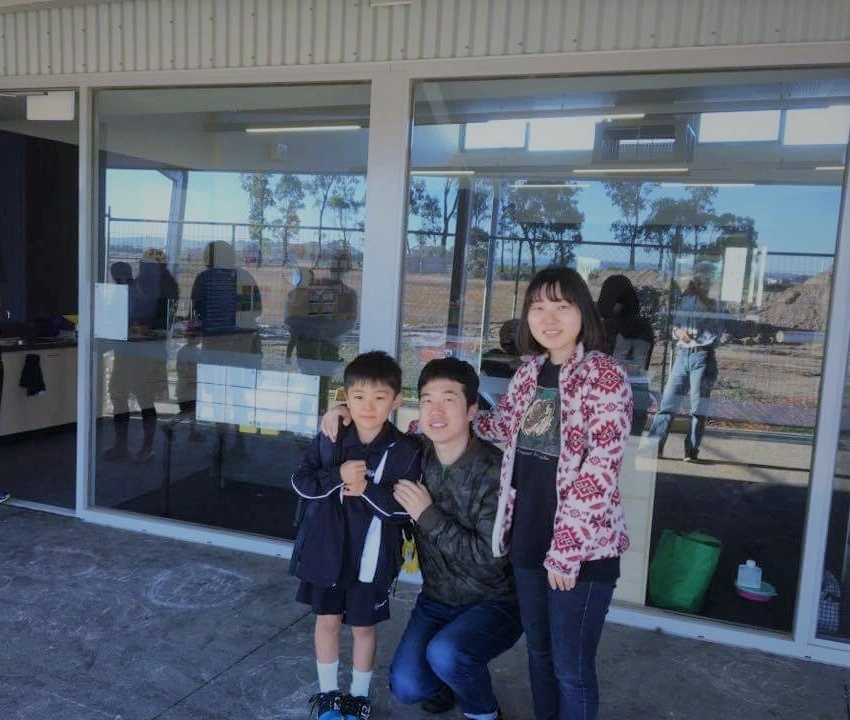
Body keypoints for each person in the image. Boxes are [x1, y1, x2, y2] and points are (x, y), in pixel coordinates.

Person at [320, 358, 522, 720]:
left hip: (494, 602)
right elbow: (373, 427)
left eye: (448, 400)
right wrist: (341, 412)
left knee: (448, 654)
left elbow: (489, 559)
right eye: (427, 400)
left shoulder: (496, 471)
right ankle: (447, 678)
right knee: (406, 686)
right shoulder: (414, 451)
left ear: (472, 410)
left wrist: (427, 516)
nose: (436, 411)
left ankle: (483, 711)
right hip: (437, 599)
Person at [473, 266, 632, 720]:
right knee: (539, 656)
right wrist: (444, 421)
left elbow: (601, 469)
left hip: (583, 552)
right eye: (538, 307)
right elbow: (503, 426)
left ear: (583, 312)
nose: (549, 318)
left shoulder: (604, 376)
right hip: (529, 538)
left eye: (562, 306)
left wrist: (565, 551)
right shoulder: (529, 372)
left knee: (571, 668)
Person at [290, 350, 421, 720]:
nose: (368, 406)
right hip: (326, 552)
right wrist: (338, 476)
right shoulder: (331, 435)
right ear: (345, 397)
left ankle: (359, 697)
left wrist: (366, 489)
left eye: (380, 397)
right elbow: (301, 482)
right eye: (358, 396)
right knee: (327, 621)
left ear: (396, 401)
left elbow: (404, 510)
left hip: (372, 559)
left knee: (364, 629)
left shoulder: (406, 450)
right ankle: (329, 696)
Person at [103, 251, 179, 463]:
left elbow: (165, 322)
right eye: (143, 264)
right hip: (127, 348)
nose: (145, 268)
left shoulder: (167, 288)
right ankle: (121, 445)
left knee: (145, 398)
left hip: (148, 351)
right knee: (118, 394)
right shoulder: (136, 285)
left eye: (149, 265)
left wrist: (144, 327)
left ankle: (147, 447)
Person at [646, 274, 720, 462]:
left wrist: (699, 293)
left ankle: (691, 449)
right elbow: (675, 326)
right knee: (668, 403)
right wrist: (679, 332)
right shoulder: (685, 300)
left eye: (698, 282)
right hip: (683, 355)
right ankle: (654, 446)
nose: (693, 285)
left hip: (702, 355)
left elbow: (712, 318)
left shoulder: (713, 301)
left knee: (698, 407)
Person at [597, 274, 654, 434]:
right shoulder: (644, 326)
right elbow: (643, 365)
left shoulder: (607, 327)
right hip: (638, 396)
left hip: (607, 397)